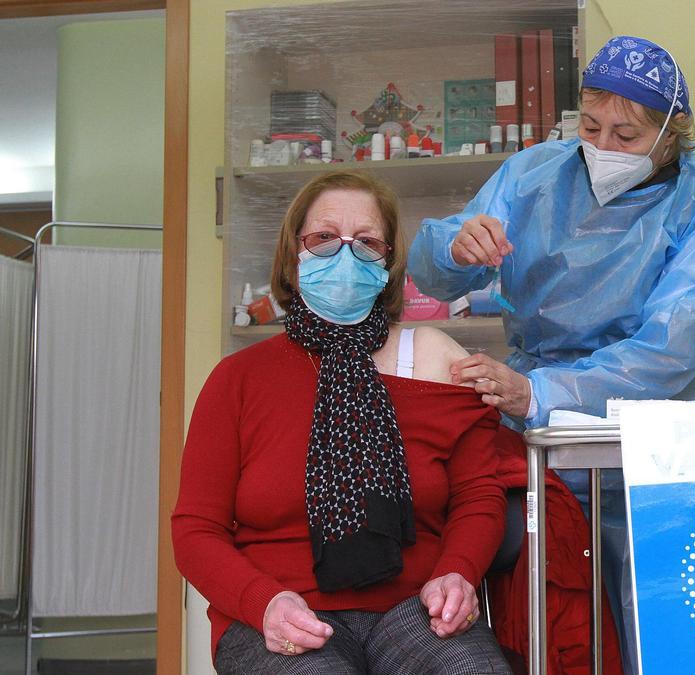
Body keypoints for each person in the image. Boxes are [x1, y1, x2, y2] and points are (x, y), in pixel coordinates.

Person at [408, 35, 695, 672]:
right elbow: (433, 272)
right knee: (555, 616)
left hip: (655, 431)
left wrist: (542, 394)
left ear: (670, 135)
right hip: (541, 439)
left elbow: (668, 350)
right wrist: (456, 247)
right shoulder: (533, 173)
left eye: (626, 136)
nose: (602, 148)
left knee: (667, 613)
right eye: (591, 126)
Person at [172, 171, 512, 674]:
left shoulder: (439, 362)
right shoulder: (238, 379)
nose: (346, 255)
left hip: (416, 606)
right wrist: (262, 601)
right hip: (280, 606)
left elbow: (478, 496)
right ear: (294, 254)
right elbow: (196, 529)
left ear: (389, 262)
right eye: (324, 237)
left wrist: (457, 574)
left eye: (368, 242)